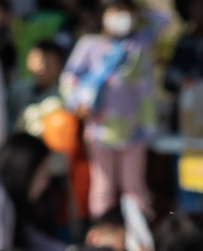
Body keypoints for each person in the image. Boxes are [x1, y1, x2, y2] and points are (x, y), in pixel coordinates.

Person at [63, 0, 163, 222]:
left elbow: (163, 22)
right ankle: (102, 230)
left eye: (127, 13)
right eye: (116, 11)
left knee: (134, 185)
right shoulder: (89, 44)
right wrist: (76, 103)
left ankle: (139, 235)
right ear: (103, 15)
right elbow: (70, 78)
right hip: (100, 129)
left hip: (135, 129)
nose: (121, 17)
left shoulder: (139, 44)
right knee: (103, 185)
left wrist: (140, 9)